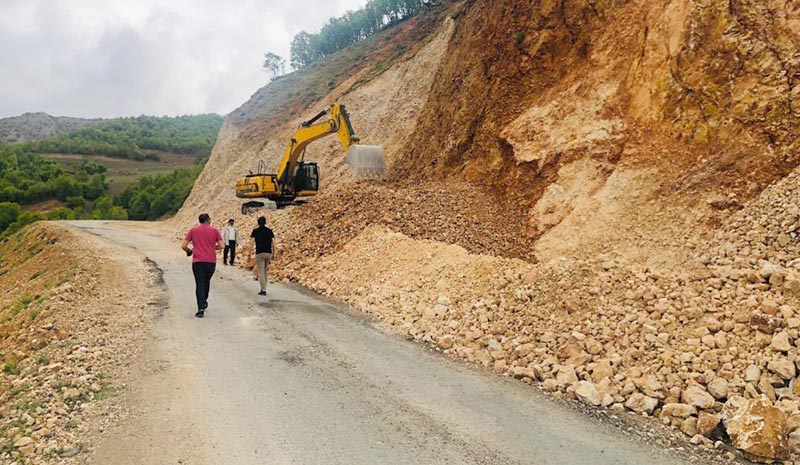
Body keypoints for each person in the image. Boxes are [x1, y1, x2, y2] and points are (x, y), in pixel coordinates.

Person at [182, 213, 223, 318]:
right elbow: (222, 245)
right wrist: (213, 248)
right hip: (210, 261)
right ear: (208, 220)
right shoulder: (215, 231)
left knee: (199, 283)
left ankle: (200, 308)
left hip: (198, 261)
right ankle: (204, 300)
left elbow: (183, 245)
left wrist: (189, 251)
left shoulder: (193, 230)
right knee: (206, 281)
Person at [250, 216, 276, 296]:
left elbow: (252, 243)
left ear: (258, 223)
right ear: (265, 222)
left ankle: (263, 289)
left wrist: (249, 253)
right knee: (265, 271)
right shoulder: (269, 231)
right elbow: (274, 243)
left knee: (261, 272)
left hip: (260, 253)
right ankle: (264, 287)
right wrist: (274, 253)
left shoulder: (255, 231)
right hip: (268, 252)